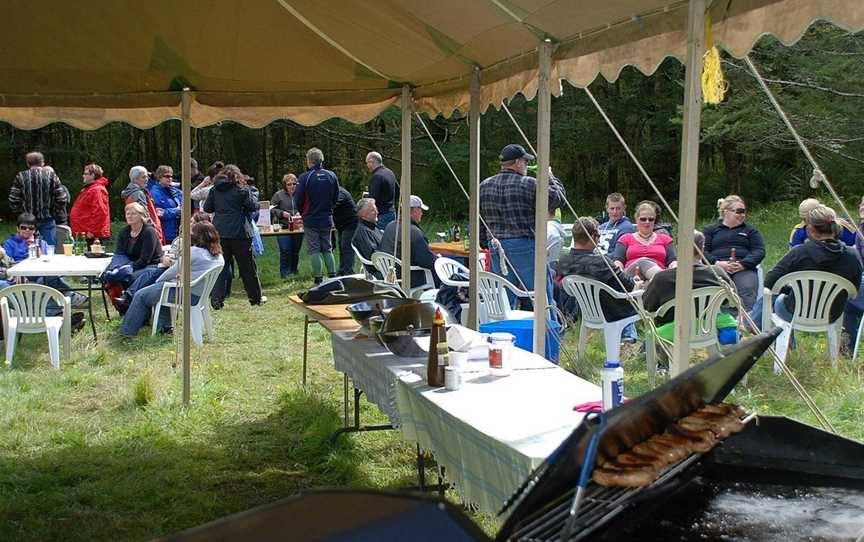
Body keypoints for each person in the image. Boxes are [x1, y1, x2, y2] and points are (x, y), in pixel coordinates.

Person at [751, 205, 862, 349]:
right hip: (833, 312)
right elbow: (854, 290)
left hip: (795, 311)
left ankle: (786, 348)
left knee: (776, 299)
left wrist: (789, 287)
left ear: (811, 230)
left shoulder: (799, 252)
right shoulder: (851, 256)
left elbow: (770, 281)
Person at [479, 144, 566, 316]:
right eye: (526, 162)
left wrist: (485, 241)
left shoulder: (484, 185)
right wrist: (549, 176)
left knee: (504, 299)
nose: (526, 166)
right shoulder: (529, 184)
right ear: (518, 162)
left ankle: (504, 334)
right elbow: (558, 199)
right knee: (543, 297)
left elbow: (479, 219)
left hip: (496, 247)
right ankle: (549, 334)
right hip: (525, 246)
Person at [119, 221, 225, 337]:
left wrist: (157, 283)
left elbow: (172, 271)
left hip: (185, 294)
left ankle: (127, 332)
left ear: (198, 236)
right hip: (200, 295)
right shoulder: (218, 256)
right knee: (161, 290)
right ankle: (164, 328)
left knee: (141, 295)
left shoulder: (193, 252)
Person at [643, 230, 737, 346]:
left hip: (674, 332)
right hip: (710, 328)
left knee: (650, 335)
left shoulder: (662, 278)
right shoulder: (717, 272)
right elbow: (733, 299)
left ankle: (662, 362)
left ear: (678, 249)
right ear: (702, 249)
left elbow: (647, 307)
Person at [203, 165, 266, 307]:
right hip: (240, 233)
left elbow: (207, 208)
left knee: (220, 267)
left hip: (220, 232)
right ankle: (255, 298)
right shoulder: (242, 190)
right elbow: (253, 206)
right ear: (237, 176)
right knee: (248, 268)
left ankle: (216, 300)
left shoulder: (215, 190)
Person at [557, 217, 637, 325]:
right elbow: (628, 286)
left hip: (576, 313)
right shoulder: (601, 262)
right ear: (593, 237)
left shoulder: (563, 260)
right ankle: (628, 335)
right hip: (610, 314)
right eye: (598, 236)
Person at [3, 212, 88, 309]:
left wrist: (42, 255)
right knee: (39, 285)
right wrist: (16, 272)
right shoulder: (10, 243)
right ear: (17, 228)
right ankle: (59, 310)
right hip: (23, 276)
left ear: (35, 230)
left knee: (50, 276)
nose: (27, 230)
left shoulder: (41, 243)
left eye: (31, 228)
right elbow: (7, 262)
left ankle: (69, 297)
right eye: (23, 227)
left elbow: (49, 260)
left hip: (39, 273)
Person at [702, 195, 765, 312]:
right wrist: (718, 263)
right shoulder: (710, 230)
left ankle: (745, 322)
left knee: (747, 287)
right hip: (717, 267)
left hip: (743, 268)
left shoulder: (750, 231)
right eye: (738, 211)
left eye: (744, 212)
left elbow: (759, 251)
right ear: (726, 212)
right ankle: (712, 317)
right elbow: (702, 251)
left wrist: (743, 264)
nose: (742, 215)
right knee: (708, 286)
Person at [294, 147, 339, 285]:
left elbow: (298, 199)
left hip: (311, 218)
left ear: (309, 161)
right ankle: (332, 277)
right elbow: (336, 196)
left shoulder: (305, 177)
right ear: (321, 159)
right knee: (327, 247)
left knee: (314, 249)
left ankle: (318, 279)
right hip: (326, 217)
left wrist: (303, 213)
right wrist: (329, 209)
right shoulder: (331, 175)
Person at [379, 195, 440, 289]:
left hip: (388, 273)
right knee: (441, 271)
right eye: (421, 210)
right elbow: (426, 261)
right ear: (414, 211)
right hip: (406, 277)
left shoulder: (390, 225)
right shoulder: (413, 231)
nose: (422, 213)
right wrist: (438, 259)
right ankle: (441, 299)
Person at [9, 151, 68, 246]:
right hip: (47, 219)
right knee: (49, 250)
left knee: (26, 251)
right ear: (42, 163)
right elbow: (62, 198)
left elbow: (13, 200)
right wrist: (54, 212)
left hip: (26, 223)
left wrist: (22, 215)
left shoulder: (20, 177)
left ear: (28, 163)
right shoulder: (51, 176)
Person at [613, 200, 677, 280]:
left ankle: (654, 283)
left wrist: (674, 267)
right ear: (636, 219)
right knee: (643, 262)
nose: (647, 222)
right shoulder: (625, 238)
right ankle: (661, 280)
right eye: (643, 219)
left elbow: (673, 261)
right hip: (631, 277)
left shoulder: (665, 239)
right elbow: (618, 262)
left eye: (651, 219)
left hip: (655, 277)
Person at [270, 173, 303, 278]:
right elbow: (271, 209)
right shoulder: (278, 195)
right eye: (289, 184)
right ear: (285, 185)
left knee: (295, 250)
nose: (292, 186)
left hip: (298, 227)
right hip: (283, 227)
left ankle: (294, 271)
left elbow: (307, 207)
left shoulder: (301, 195)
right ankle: (285, 274)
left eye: (294, 184)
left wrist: (300, 213)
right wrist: (282, 213)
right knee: (285, 249)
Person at [122, 166, 165, 244]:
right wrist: (153, 231)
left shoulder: (131, 192)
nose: (147, 179)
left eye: (147, 176)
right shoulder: (138, 193)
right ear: (135, 179)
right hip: (145, 232)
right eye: (143, 177)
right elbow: (144, 214)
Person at [790, 197, 857, 247]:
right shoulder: (799, 231)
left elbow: (855, 245)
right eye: (805, 219)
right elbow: (793, 256)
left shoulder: (840, 225)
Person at [70, 163, 111, 243]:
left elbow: (100, 212)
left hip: (93, 236)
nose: (83, 176)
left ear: (93, 175)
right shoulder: (90, 189)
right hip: (85, 234)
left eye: (85, 174)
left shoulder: (97, 190)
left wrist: (92, 231)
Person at [150, 165, 183, 242]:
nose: (170, 178)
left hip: (178, 231)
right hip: (166, 233)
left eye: (171, 176)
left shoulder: (175, 191)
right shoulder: (154, 192)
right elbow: (158, 213)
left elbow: (185, 201)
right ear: (159, 177)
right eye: (167, 176)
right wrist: (177, 211)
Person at [366, 151, 397, 229]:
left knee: (378, 239)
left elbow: (372, 199)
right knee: (390, 239)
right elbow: (398, 191)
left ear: (372, 162)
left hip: (381, 215)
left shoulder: (376, 176)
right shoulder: (390, 173)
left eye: (367, 163)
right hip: (392, 213)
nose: (367, 166)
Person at [352, 198, 382, 277]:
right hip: (380, 272)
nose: (377, 212)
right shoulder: (362, 232)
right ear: (363, 215)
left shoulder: (373, 228)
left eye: (376, 209)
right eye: (373, 210)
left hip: (387, 266)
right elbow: (373, 256)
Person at [333, 186, 358, 276]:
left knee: (347, 247)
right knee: (341, 246)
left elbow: (332, 205)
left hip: (351, 223)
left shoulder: (340, 192)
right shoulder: (333, 191)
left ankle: (349, 272)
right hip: (341, 225)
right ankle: (342, 270)